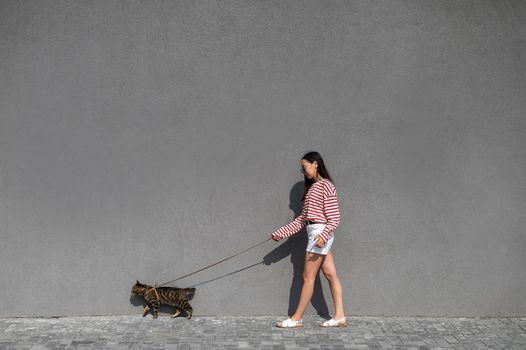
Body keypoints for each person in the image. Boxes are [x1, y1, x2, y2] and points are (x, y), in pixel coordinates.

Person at [271, 151, 346, 328]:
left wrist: (324, 235)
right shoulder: (312, 188)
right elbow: (302, 220)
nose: (303, 171)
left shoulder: (327, 186)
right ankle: (340, 316)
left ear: (315, 164)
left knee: (307, 277)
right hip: (316, 232)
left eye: (304, 167)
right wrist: (280, 233)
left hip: (319, 234)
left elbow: (334, 217)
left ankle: (296, 319)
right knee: (330, 274)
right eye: (301, 169)